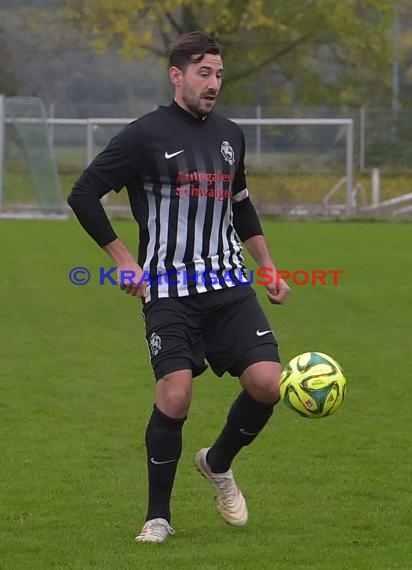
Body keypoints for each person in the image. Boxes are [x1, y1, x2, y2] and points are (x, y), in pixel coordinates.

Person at [67, 30, 290, 543]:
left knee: (268, 384)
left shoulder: (231, 135)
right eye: (203, 73)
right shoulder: (143, 135)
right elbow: (84, 194)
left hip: (229, 284)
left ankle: (217, 462)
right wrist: (125, 261)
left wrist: (268, 265)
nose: (213, 84)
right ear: (177, 75)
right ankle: (158, 517)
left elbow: (242, 205)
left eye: (218, 74)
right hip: (167, 289)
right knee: (175, 394)